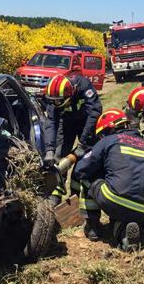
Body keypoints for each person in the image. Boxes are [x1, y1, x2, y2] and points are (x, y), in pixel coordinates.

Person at [74, 108, 144, 251]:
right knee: (123, 216)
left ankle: (93, 227)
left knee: (89, 179)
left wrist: (102, 173)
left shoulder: (108, 141)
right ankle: (124, 238)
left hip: (113, 199)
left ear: (106, 131)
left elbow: (81, 169)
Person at [42, 74, 102, 205]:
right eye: (54, 101)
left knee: (85, 157)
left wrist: (84, 142)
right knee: (58, 155)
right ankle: (55, 194)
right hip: (66, 122)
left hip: (86, 121)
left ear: (71, 93)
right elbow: (51, 122)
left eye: (59, 101)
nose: (56, 104)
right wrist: (49, 150)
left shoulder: (84, 86)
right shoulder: (54, 97)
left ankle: (77, 193)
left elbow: (95, 112)